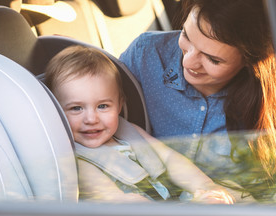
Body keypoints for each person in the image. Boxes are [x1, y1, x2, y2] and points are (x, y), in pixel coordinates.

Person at [119, 0, 276, 202]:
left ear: (250, 61)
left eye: (213, 59)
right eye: (186, 36)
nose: (187, 62)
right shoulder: (145, 54)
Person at [44, 45, 235, 204]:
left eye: (102, 106)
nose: (91, 119)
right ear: (56, 110)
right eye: (76, 108)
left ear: (120, 104)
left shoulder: (128, 131)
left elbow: (169, 158)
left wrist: (204, 187)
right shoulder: (76, 161)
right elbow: (114, 199)